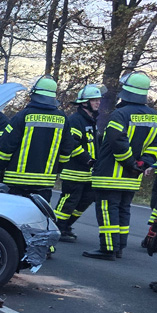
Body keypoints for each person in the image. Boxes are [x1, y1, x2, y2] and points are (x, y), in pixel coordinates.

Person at [83, 71, 157, 260]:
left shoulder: (120, 114)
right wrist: (142, 164)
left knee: (108, 211)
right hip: (132, 177)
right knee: (124, 210)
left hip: (110, 175)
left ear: (126, 90)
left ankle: (108, 248)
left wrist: (130, 162)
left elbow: (117, 141)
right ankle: (119, 247)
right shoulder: (154, 117)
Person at [0, 75, 74, 201]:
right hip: (44, 183)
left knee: (14, 217)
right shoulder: (63, 119)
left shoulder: (22, 116)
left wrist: (0, 167)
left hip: (16, 181)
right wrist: (57, 169)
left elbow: (6, 145)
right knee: (38, 218)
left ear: (34, 94)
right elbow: (67, 148)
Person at [54, 84, 102, 242]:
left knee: (87, 199)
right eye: (94, 100)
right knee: (69, 200)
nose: (98, 103)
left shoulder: (91, 121)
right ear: (84, 103)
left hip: (88, 172)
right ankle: (57, 227)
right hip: (74, 170)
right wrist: (87, 159)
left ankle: (67, 225)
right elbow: (72, 144)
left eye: (98, 100)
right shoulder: (75, 120)